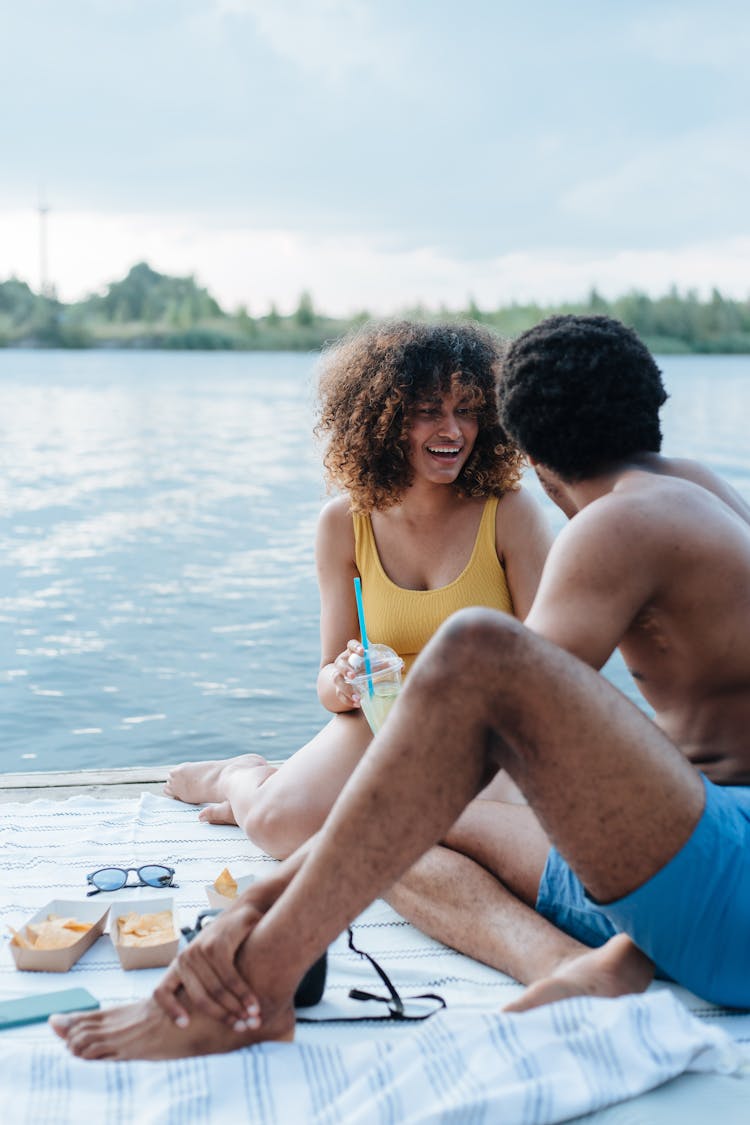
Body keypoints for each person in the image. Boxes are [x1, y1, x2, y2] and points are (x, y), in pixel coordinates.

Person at [52, 314, 750, 1062]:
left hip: (722, 889)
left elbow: (491, 729)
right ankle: (579, 966)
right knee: (388, 830)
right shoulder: (701, 488)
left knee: (464, 672)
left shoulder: (614, 526)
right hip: (708, 847)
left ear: (520, 437)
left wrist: (259, 903)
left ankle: (257, 975)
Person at [163, 320, 552, 923]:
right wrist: (345, 681)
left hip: (486, 729)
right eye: (427, 411)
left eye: (468, 410)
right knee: (276, 827)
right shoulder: (344, 523)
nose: (452, 431)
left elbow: (556, 667)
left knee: (467, 839)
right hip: (381, 715)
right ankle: (239, 777)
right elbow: (326, 681)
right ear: (385, 418)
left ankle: (315, 786)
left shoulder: (512, 514)